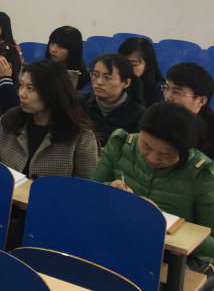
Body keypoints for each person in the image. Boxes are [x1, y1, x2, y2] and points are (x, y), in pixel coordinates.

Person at [92, 102, 214, 265]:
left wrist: (162, 223)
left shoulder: (201, 174)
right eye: (146, 146)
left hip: (170, 263)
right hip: (111, 246)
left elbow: (211, 245)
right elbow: (89, 196)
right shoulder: (121, 145)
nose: (153, 158)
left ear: (186, 151)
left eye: (165, 155)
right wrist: (110, 191)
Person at [0, 60, 98, 178]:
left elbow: (86, 183)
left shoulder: (81, 135)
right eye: (21, 85)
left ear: (52, 91)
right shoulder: (10, 120)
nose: (21, 94)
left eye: (30, 88)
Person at [81, 53, 145, 146]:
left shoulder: (139, 115)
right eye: (95, 74)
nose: (99, 82)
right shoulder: (81, 104)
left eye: (107, 77)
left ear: (126, 82)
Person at [164, 62, 214, 159]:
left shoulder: (210, 133)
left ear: (201, 100)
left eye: (176, 92)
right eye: (166, 88)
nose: (167, 97)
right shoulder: (158, 116)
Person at [118, 37, 164, 106]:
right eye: (122, 63)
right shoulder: (115, 82)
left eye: (134, 64)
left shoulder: (159, 89)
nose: (126, 68)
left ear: (148, 64)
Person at [47, 25, 89, 90]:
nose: (53, 50)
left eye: (61, 46)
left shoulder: (82, 76)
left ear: (73, 50)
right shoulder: (43, 68)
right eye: (52, 43)